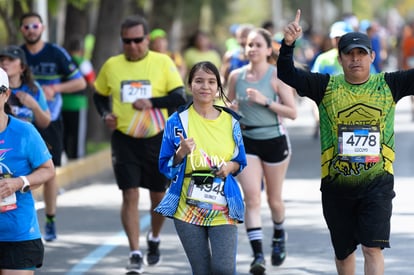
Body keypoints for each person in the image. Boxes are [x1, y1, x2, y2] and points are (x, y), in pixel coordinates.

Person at [279, 9, 414, 275]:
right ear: (339, 58)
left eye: (361, 53)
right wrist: (287, 45)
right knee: (344, 255)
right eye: (349, 54)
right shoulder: (326, 86)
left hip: (378, 184)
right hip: (336, 186)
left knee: (372, 248)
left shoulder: (389, 84)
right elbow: (288, 75)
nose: (355, 59)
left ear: (372, 56)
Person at [93, 15, 186, 274]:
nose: (132, 45)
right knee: (130, 193)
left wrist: (152, 102)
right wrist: (105, 115)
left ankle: (154, 238)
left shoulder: (162, 62)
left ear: (147, 39)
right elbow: (99, 96)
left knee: (158, 196)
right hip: (124, 138)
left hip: (156, 138)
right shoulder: (112, 65)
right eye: (127, 41)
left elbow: (179, 97)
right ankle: (134, 252)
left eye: (137, 40)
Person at [155, 61, 247, 275]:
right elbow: (164, 166)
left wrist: (229, 167)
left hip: (222, 204)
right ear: (190, 86)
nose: (205, 86)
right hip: (187, 206)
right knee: (202, 270)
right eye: (199, 81)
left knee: (224, 269)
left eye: (211, 82)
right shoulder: (177, 122)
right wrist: (180, 153)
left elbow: (240, 161)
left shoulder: (231, 122)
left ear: (218, 87)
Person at [227, 28, 297, 275]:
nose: (252, 49)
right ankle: (258, 255)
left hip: (275, 139)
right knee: (252, 198)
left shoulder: (277, 76)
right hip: (248, 140)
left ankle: (279, 232)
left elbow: (292, 112)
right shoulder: (236, 76)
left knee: (274, 200)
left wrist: (264, 101)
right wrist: (231, 107)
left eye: (258, 45)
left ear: (269, 50)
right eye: (248, 44)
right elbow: (228, 107)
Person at [20, 12, 87, 242]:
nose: (31, 30)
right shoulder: (16, 56)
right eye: (27, 26)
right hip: (19, 121)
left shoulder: (56, 53)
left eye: (35, 25)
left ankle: (49, 220)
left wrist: (56, 89)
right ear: (21, 30)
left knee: (48, 172)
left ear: (43, 27)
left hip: (50, 120)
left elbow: (80, 81)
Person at [0, 67, 55, 274]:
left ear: (6, 94)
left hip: (18, 233)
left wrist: (18, 182)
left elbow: (48, 170)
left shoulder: (24, 132)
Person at [0, 45, 50, 129]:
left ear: (22, 67)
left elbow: (45, 123)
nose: (5, 62)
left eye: (11, 59)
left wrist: (34, 106)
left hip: (27, 139)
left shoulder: (34, 88)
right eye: (2, 60)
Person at [62, 37, 96, 159]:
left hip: (61, 103)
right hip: (78, 103)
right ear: (81, 50)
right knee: (77, 135)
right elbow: (92, 81)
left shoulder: (63, 61)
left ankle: (64, 156)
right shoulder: (83, 62)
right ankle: (77, 157)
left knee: (64, 133)